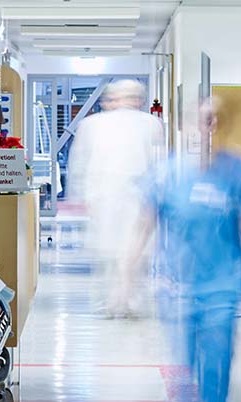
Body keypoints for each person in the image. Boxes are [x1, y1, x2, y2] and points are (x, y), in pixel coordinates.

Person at [138, 97, 241, 402]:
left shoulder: (237, 173)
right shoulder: (166, 174)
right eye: (201, 120)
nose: (207, 127)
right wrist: (125, 273)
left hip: (223, 286)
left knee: (216, 364)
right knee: (184, 364)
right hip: (177, 286)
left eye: (215, 120)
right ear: (185, 126)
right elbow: (145, 225)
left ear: (223, 126)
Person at [67, 79, 165, 317]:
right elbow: (79, 163)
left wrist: (79, 195)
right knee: (116, 254)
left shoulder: (149, 124)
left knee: (129, 253)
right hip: (110, 198)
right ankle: (118, 301)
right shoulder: (93, 125)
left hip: (129, 199)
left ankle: (124, 301)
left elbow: (159, 164)